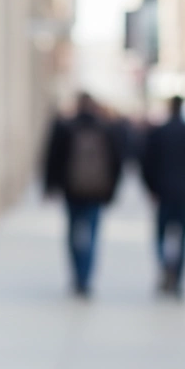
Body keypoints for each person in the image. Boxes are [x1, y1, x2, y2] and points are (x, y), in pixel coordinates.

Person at [44, 93, 123, 297]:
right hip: (96, 191)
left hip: (72, 190)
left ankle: (77, 277)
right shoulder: (105, 128)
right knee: (92, 234)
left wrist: (50, 186)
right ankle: (86, 278)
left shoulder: (65, 126)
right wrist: (112, 191)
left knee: (73, 233)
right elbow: (116, 162)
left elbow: (52, 158)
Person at [140, 96, 185, 297]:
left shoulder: (159, 133)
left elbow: (146, 164)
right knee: (182, 238)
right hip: (184, 193)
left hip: (163, 192)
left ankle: (166, 268)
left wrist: (152, 188)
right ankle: (177, 278)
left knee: (161, 236)